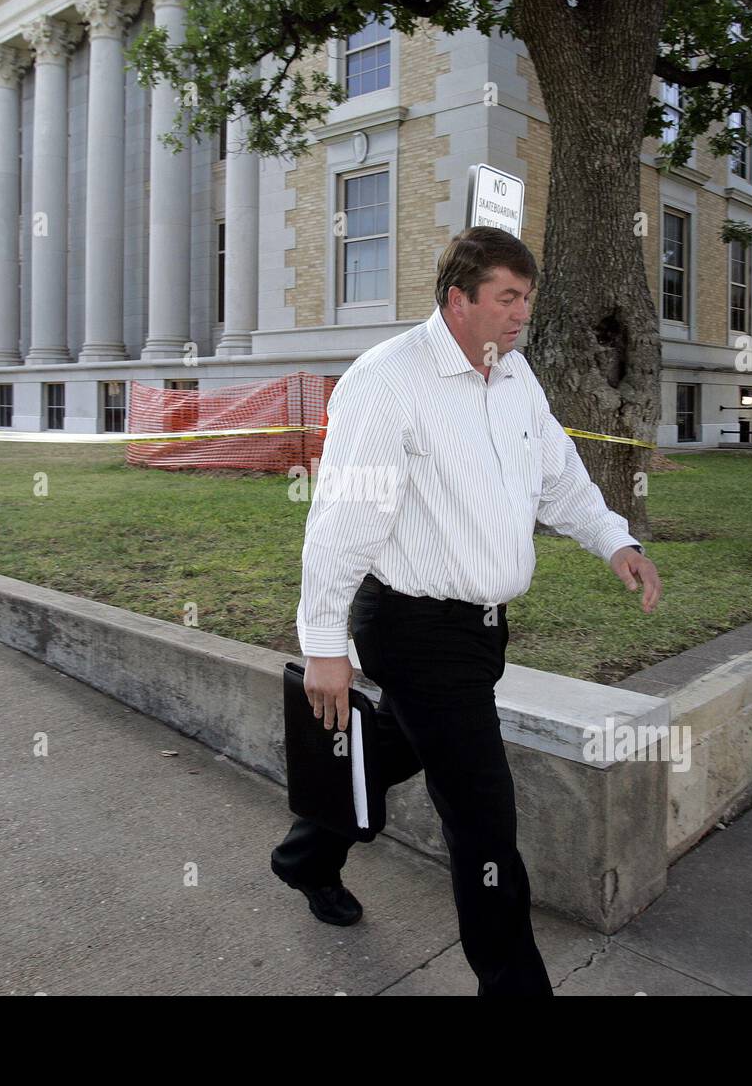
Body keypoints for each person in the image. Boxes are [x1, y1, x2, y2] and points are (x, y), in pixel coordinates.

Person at [271, 225, 662, 996]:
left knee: (392, 750)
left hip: (482, 629)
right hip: (412, 627)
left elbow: (561, 478)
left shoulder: (516, 377)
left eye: (528, 299)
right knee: (483, 815)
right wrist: (324, 646)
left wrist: (614, 541)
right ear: (459, 300)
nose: (522, 315)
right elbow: (344, 521)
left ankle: (306, 856)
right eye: (507, 299)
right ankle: (514, 986)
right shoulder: (388, 381)